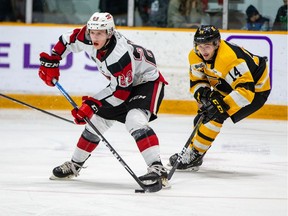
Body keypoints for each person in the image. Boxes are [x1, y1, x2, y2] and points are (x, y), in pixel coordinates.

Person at [38, 12, 169, 189]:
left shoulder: (118, 55)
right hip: (122, 84)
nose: (94, 37)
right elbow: (65, 40)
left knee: (134, 119)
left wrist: (92, 104)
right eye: (93, 32)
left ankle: (157, 169)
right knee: (96, 121)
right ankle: (75, 165)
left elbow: (122, 93)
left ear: (110, 33)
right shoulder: (85, 36)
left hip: (147, 83)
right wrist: (53, 60)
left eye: (100, 33)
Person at [169, 25, 271, 171]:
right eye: (200, 45)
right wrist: (204, 96)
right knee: (201, 116)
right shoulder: (194, 55)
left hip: (256, 89)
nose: (203, 50)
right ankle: (192, 151)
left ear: (216, 44)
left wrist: (221, 105)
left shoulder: (228, 58)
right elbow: (198, 81)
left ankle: (195, 155)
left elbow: (246, 92)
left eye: (207, 46)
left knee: (215, 115)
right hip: (227, 84)